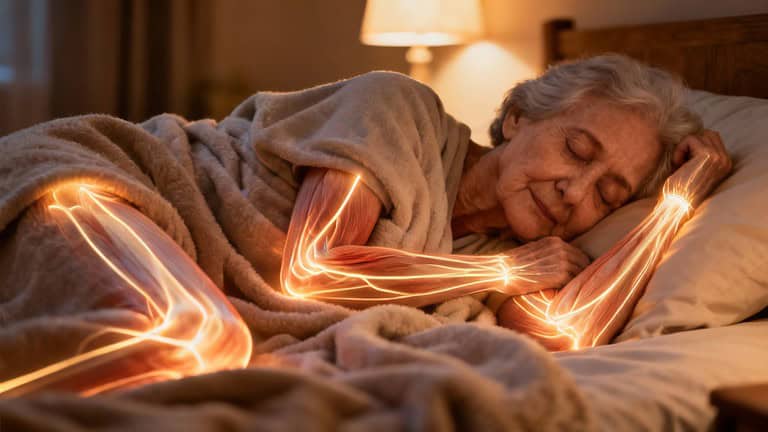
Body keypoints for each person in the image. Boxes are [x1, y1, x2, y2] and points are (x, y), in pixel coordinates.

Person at [279, 54, 732, 344]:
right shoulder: (396, 108)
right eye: (575, 150)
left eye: (607, 195)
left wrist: (675, 203)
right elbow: (312, 272)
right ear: (517, 118)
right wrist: (503, 272)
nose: (574, 193)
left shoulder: (521, 254)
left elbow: (566, 333)